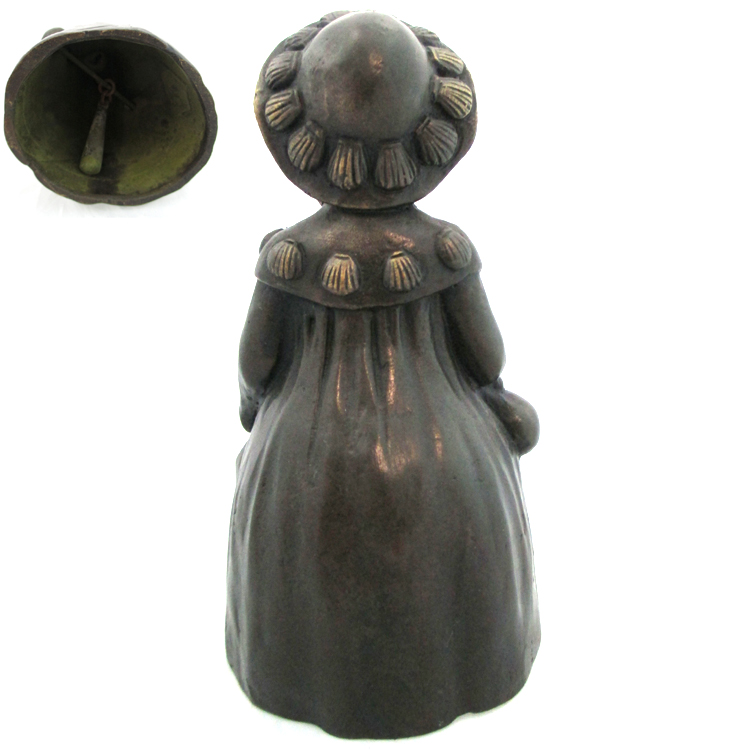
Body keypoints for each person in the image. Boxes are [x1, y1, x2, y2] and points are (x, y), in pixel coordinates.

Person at [226, 11, 541, 739]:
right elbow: (486, 358)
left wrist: (253, 410)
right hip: (443, 450)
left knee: (300, 565)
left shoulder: (290, 256)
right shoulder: (446, 250)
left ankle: (295, 673)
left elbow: (255, 363)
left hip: (307, 459)